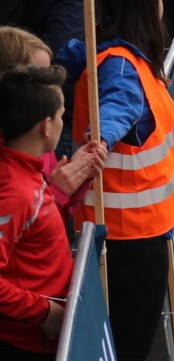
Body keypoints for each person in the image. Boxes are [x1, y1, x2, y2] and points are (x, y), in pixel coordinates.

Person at [60, 0, 174, 361]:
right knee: (127, 357)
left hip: (138, 231)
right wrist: (98, 144)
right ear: (145, 7)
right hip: (127, 236)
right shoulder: (119, 66)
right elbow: (118, 108)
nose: (164, 6)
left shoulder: (121, 54)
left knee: (128, 355)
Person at [0, 65, 73, 361]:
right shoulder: (13, 191)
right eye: (62, 115)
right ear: (46, 127)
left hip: (43, 345)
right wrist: (44, 311)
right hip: (23, 354)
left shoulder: (25, 171)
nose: (65, 123)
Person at [0, 27, 106, 230]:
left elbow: (54, 219)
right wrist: (56, 192)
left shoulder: (37, 143)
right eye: (39, 77)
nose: (51, 87)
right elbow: (24, 233)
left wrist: (77, 176)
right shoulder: (10, 165)